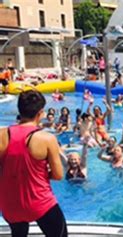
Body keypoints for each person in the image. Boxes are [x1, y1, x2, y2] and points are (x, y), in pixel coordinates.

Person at [0, 90, 68, 236]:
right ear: (41, 113)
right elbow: (58, 175)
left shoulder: (1, 135)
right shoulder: (47, 139)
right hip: (39, 202)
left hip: (10, 204)